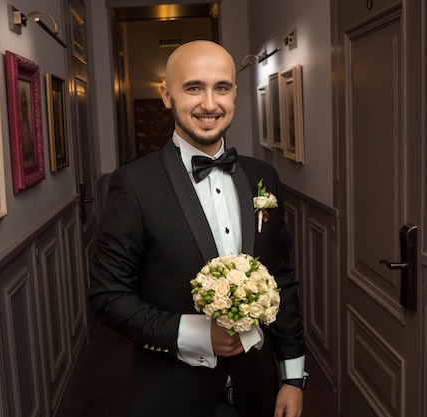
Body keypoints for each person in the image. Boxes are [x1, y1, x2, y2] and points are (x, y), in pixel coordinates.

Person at [88, 40, 306, 417]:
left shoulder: (263, 176)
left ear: (235, 94)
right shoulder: (133, 185)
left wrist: (292, 377)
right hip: (173, 394)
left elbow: (281, 279)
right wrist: (197, 334)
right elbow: (108, 297)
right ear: (166, 96)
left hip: (258, 389)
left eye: (221, 87)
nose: (209, 104)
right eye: (193, 88)